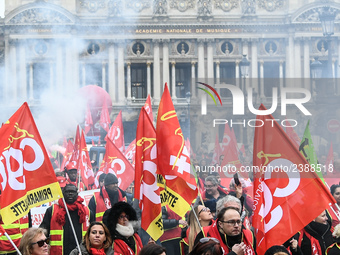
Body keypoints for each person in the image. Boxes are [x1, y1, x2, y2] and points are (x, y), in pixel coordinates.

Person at [40, 184, 94, 255]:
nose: (70, 194)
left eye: (73, 192)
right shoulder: (52, 211)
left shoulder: (86, 212)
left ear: (77, 193)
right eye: (68, 191)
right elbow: (42, 233)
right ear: (62, 193)